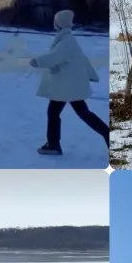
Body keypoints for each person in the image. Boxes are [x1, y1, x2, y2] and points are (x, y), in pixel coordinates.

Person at [30, 9, 109, 156]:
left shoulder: (66, 41)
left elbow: (56, 57)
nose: (54, 24)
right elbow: (82, 58)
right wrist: (90, 73)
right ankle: (54, 143)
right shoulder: (67, 39)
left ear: (59, 23)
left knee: (57, 112)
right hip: (68, 85)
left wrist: (37, 61)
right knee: (81, 113)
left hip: (67, 87)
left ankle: (54, 144)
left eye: (56, 21)